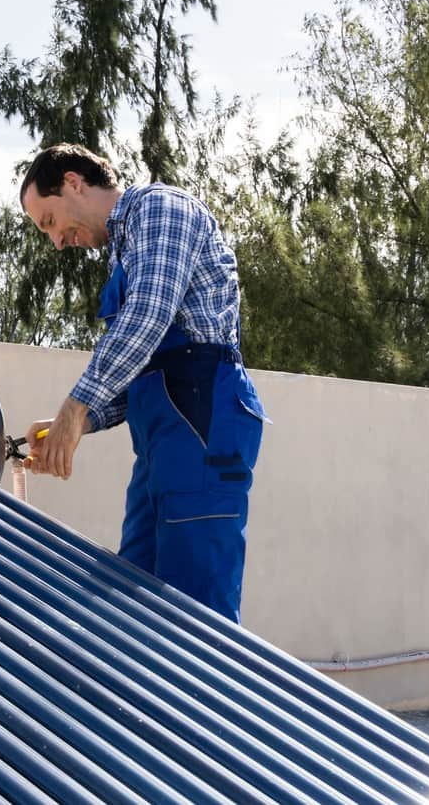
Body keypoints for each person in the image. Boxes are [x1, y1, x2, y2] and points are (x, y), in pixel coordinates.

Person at [19, 143, 268, 623]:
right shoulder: (124, 253)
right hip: (160, 446)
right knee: (134, 604)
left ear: (73, 182)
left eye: (49, 222)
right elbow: (138, 375)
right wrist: (77, 422)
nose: (56, 242)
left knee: (195, 614)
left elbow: (148, 318)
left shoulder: (160, 207)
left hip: (203, 428)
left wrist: (77, 406)